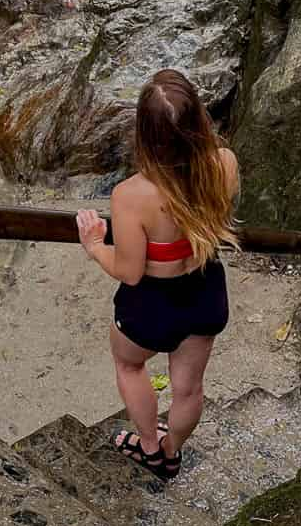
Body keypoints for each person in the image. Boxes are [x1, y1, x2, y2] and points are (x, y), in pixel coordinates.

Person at [76, 68, 239, 480]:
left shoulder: (131, 195)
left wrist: (96, 246)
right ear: (200, 119)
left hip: (152, 305)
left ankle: (150, 446)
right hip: (204, 293)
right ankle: (173, 450)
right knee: (188, 389)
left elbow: (130, 273)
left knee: (130, 366)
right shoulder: (224, 163)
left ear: (144, 133)